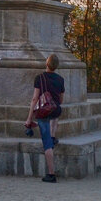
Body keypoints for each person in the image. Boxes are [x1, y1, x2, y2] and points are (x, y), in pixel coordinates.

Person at [25, 54, 65, 183]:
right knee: (55, 115)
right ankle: (53, 136)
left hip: (43, 113)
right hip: (55, 110)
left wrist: (29, 118)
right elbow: (61, 99)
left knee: (47, 145)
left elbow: (34, 99)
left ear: (46, 64)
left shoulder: (39, 78)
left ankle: (51, 174)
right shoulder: (60, 79)